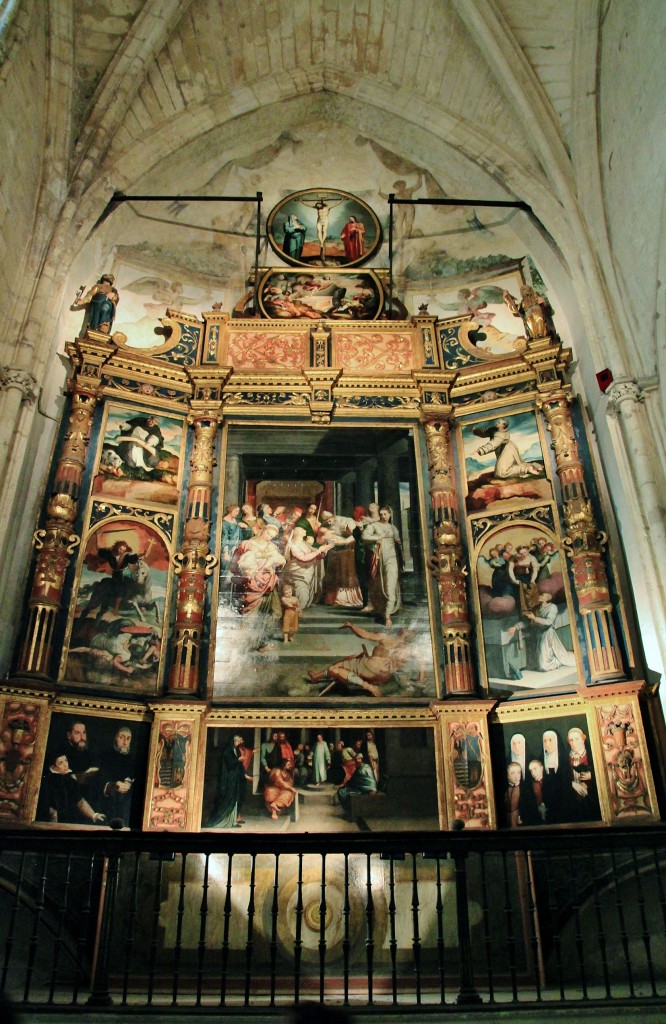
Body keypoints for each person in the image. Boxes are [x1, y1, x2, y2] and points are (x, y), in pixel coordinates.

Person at [307, 621, 413, 696]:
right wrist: (421, 678)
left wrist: (351, 626)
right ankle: (317, 676)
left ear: (403, 632)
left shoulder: (386, 638)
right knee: (350, 658)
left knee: (334, 669)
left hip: (368, 669)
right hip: (382, 677)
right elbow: (420, 662)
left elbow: (364, 634)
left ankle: (368, 687)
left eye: (404, 628)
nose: (402, 628)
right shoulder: (408, 649)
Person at [361, 506, 402, 626]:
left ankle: (388, 616)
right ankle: (380, 610)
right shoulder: (374, 526)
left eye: (385, 514)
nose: (383, 516)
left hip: (391, 559)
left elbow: (396, 540)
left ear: (390, 514)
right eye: (381, 514)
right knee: (378, 585)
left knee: (390, 586)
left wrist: (397, 540)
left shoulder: (393, 528)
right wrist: (378, 537)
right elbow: (364, 537)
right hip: (378, 560)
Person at [41, 753, 107, 825]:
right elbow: (48, 807)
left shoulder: (69, 780)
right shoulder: (46, 780)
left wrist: (93, 815)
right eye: (60, 763)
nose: (65, 765)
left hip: (67, 820)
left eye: (66, 760)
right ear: (53, 767)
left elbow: (79, 800)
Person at [281, 526, 332, 612]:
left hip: (307, 572)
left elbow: (316, 554)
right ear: (296, 532)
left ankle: (297, 608)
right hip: (296, 573)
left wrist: (323, 551)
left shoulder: (305, 543)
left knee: (304, 595)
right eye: (301, 529)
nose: (304, 530)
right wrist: (318, 551)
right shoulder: (292, 545)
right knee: (302, 595)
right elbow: (303, 558)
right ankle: (296, 609)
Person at [472, 419, 543, 479]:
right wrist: (475, 431)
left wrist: (479, 450)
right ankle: (535, 466)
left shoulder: (501, 434)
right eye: (498, 422)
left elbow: (493, 444)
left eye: (499, 423)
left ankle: (527, 469)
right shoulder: (495, 429)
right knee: (519, 464)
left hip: (507, 450)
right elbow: (484, 432)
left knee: (501, 473)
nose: (497, 423)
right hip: (506, 449)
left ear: (503, 425)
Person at [318, 512, 362, 608]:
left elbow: (356, 535)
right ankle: (334, 599)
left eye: (329, 520)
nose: (328, 523)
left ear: (334, 517)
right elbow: (323, 538)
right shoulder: (326, 524)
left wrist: (344, 541)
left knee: (346, 575)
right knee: (334, 575)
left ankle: (346, 598)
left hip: (348, 551)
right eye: (326, 521)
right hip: (333, 552)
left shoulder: (347, 521)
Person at [205, 734, 250, 828]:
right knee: (228, 800)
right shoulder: (227, 751)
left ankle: (233, 821)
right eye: (237, 741)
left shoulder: (236, 750)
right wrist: (238, 760)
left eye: (239, 741)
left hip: (235, 779)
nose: (238, 743)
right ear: (233, 741)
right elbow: (230, 764)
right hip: (229, 780)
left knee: (235, 799)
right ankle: (225, 821)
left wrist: (245, 774)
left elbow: (239, 766)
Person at [523, 593, 576, 671]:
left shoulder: (552, 607)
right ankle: (555, 658)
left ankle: (559, 661)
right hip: (539, 634)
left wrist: (534, 618)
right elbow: (528, 619)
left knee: (544, 666)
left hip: (547, 634)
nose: (539, 596)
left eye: (542, 595)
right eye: (540, 595)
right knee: (539, 663)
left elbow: (549, 622)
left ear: (547, 599)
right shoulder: (537, 608)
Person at [98, 725, 135, 825]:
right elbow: (100, 781)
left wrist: (128, 781)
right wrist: (112, 785)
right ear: (115, 738)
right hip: (107, 805)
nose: (125, 742)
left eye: (128, 738)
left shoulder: (133, 760)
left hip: (127, 809)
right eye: (121, 737)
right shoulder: (104, 757)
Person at [566, 727, 600, 821]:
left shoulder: (592, 754)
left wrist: (593, 775)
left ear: (583, 739)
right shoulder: (565, 756)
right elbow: (562, 777)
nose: (574, 742)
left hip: (591, 797)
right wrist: (572, 784)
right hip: (572, 799)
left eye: (577, 739)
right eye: (571, 740)